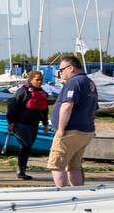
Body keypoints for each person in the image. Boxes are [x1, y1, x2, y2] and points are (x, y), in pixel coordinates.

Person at [48, 54, 98, 187]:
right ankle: (78, 192)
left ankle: (62, 194)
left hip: (70, 131)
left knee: (56, 164)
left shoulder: (74, 82)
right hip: (85, 130)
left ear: (71, 68)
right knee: (74, 166)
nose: (60, 74)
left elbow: (67, 106)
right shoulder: (89, 82)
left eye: (61, 70)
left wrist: (60, 128)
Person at [5, 70, 50, 180]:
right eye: (37, 80)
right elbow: (12, 106)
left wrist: (45, 125)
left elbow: (44, 110)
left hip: (33, 124)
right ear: (30, 80)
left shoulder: (43, 93)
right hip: (20, 123)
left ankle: (23, 169)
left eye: (41, 80)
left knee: (28, 147)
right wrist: (10, 122)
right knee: (25, 145)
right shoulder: (23, 91)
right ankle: (21, 170)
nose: (39, 82)